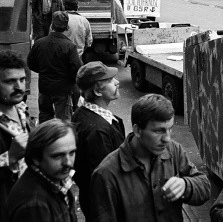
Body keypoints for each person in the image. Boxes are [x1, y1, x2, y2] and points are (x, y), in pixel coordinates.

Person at [89, 94, 210, 222]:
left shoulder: (173, 150)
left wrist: (185, 185)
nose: (167, 138)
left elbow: (204, 185)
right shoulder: (106, 174)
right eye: (159, 131)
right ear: (137, 130)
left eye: (170, 129)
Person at [71, 61, 124, 219]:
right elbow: (105, 178)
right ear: (97, 91)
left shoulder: (82, 114)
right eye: (110, 81)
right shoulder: (98, 131)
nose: (117, 82)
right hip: (105, 207)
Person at [6, 119, 77, 222]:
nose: (68, 162)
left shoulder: (57, 180)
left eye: (72, 153)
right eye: (58, 156)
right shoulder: (34, 206)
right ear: (36, 157)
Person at [27, 11, 82, 123]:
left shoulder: (39, 43)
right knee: (64, 121)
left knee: (44, 116)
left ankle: (45, 138)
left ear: (52, 25)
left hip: (44, 87)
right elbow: (77, 69)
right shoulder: (69, 46)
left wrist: (43, 71)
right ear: (66, 27)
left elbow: (31, 63)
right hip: (63, 90)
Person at [0, 50, 30, 220]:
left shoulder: (21, 109)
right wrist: (10, 157)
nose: (19, 87)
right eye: (10, 81)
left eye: (22, 79)